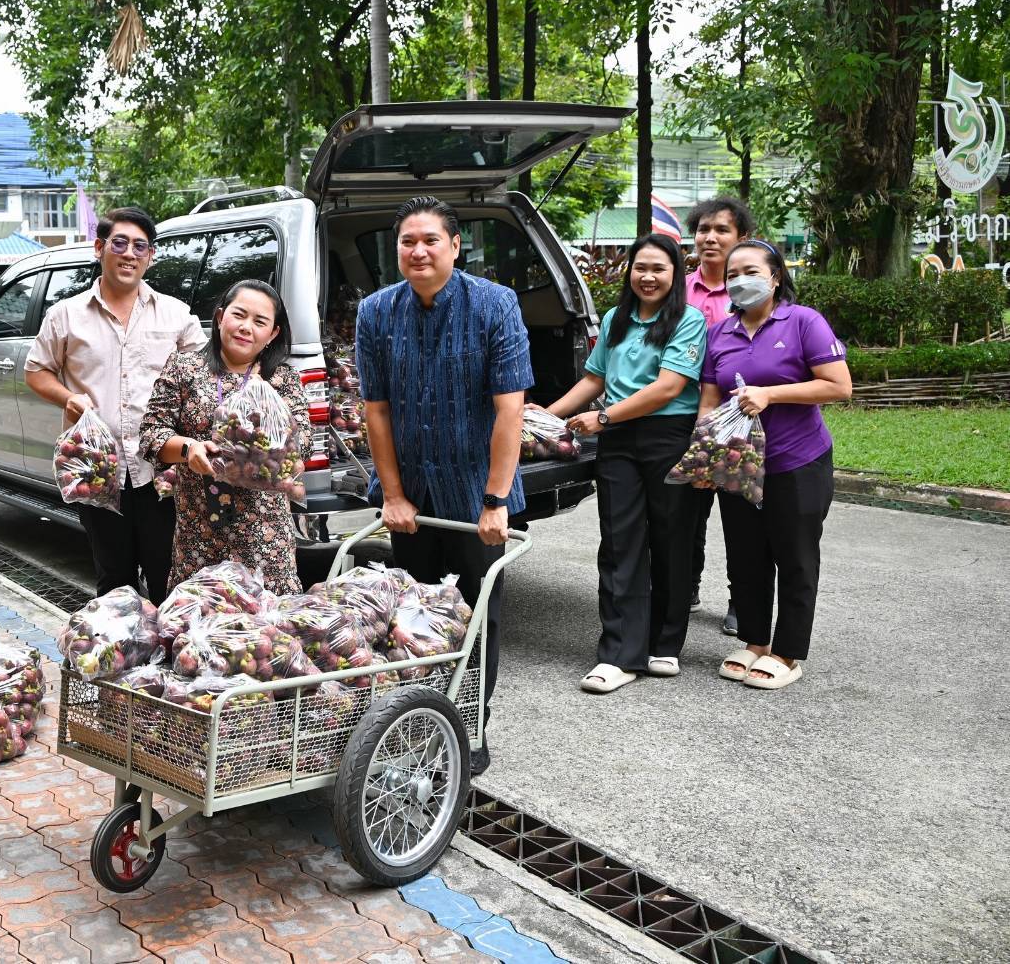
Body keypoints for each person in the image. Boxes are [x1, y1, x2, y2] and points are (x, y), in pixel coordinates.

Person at [355, 196, 532, 735]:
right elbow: (377, 411)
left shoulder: (495, 305)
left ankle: (470, 729)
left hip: (477, 496)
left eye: (431, 239)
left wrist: (496, 500)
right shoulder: (376, 312)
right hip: (413, 498)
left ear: (455, 245)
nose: (419, 250)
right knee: (411, 619)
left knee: (478, 619)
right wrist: (392, 494)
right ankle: (417, 724)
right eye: (408, 241)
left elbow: (510, 410)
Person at [541, 235, 707, 693]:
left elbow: (669, 387)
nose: (648, 277)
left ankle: (665, 644)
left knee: (672, 539)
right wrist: (543, 417)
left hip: (668, 436)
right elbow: (595, 378)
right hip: (617, 440)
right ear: (628, 271)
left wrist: (605, 416)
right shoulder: (616, 318)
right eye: (640, 268)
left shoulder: (688, 321)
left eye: (658, 268)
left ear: (675, 274)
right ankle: (619, 653)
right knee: (619, 542)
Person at [26, 207, 206, 603]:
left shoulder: (175, 314)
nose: (129, 254)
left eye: (140, 246)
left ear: (151, 256)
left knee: (169, 578)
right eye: (119, 243)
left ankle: (169, 661)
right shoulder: (66, 315)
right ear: (99, 248)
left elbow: (206, 378)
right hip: (96, 466)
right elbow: (37, 371)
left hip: (163, 469)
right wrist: (69, 397)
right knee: (114, 581)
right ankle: (125, 660)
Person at [701, 239, 851, 690]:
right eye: (731, 275)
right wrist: (707, 448)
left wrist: (770, 394)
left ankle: (788, 652)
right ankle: (754, 643)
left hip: (798, 461)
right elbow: (710, 396)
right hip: (739, 462)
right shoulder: (720, 333)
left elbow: (839, 386)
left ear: (776, 276)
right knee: (746, 555)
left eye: (750, 271)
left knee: (795, 556)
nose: (739, 281)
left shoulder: (803, 321)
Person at [139, 280, 312, 593]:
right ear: (220, 317)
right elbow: (151, 432)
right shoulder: (184, 368)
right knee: (199, 631)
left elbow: (303, 447)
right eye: (239, 315)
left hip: (265, 541)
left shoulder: (282, 380)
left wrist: (263, 452)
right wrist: (188, 448)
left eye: (260, 322)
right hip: (198, 537)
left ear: (273, 334)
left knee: (266, 636)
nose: (247, 327)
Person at [684, 196, 755, 636]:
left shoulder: (752, 288)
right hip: (685, 417)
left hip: (742, 422)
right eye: (703, 229)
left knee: (740, 516)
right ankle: (685, 586)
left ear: (741, 238)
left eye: (722, 230)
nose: (710, 238)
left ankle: (739, 599)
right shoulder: (678, 287)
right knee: (685, 512)